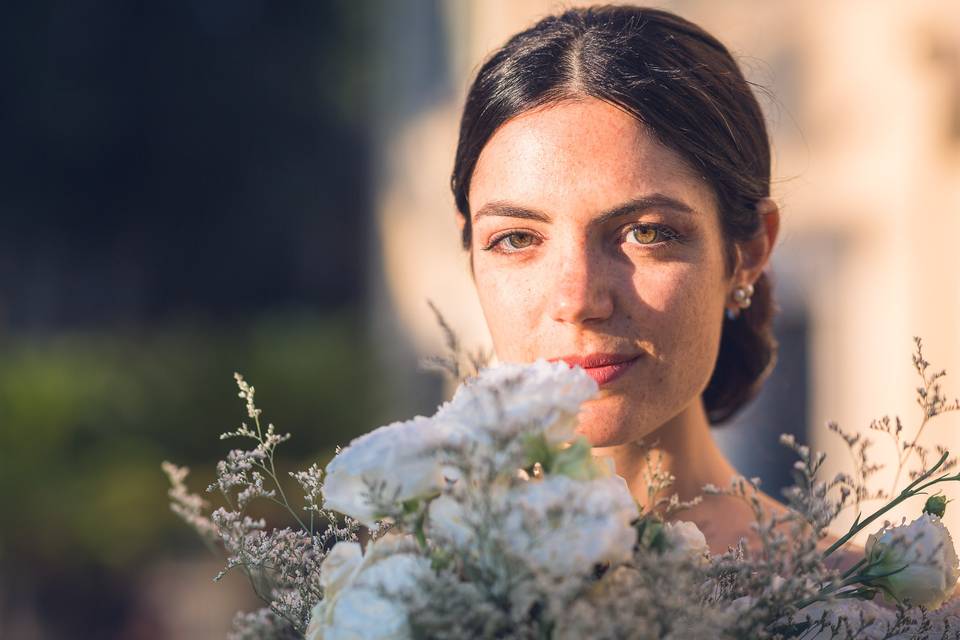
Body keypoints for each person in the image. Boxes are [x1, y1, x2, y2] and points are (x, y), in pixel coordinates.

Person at [449, 4, 815, 557]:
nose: (578, 300)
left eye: (645, 232)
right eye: (518, 239)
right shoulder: (388, 596)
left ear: (748, 251)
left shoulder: (872, 610)